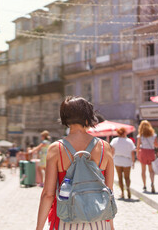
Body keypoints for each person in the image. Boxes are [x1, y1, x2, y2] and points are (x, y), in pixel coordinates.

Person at [36, 96, 115, 230]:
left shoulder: (56, 149)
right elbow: (109, 191)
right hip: (99, 221)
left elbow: (48, 195)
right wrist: (111, 226)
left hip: (66, 221)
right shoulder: (104, 147)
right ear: (88, 116)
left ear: (65, 118)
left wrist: (39, 228)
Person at [110, 127, 136, 199]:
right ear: (125, 132)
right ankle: (128, 188)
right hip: (127, 160)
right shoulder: (129, 141)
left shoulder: (114, 141)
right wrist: (133, 161)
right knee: (127, 177)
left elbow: (112, 151)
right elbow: (132, 153)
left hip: (117, 160)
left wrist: (111, 160)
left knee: (120, 177)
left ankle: (122, 192)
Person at [136, 120, 158, 193]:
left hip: (143, 152)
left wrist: (137, 154)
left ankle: (144, 185)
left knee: (143, 170)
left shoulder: (140, 136)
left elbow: (138, 146)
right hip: (151, 152)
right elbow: (156, 145)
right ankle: (152, 183)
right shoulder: (153, 135)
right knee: (151, 170)